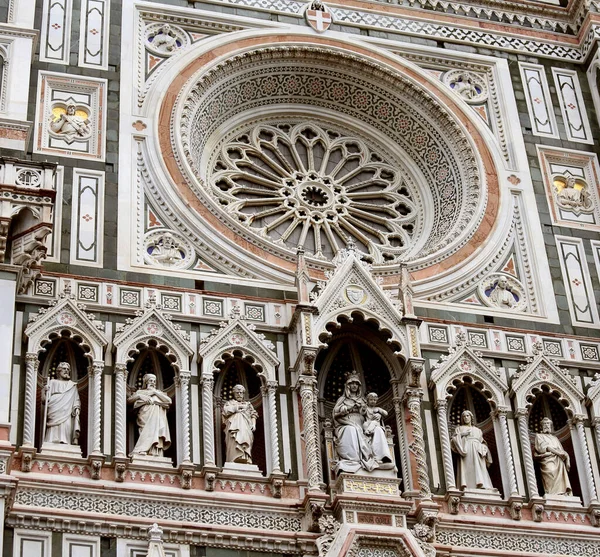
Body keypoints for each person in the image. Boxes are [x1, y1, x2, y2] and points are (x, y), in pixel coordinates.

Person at [333, 372, 377, 473]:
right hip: (345, 424)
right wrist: (345, 409)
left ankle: (367, 459)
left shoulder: (363, 400)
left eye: (356, 384)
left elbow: (369, 413)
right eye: (352, 383)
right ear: (348, 385)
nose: (354, 386)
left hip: (362, 425)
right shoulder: (342, 399)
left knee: (370, 430)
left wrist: (375, 414)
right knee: (351, 430)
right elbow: (335, 415)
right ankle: (353, 460)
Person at [127, 373, 172, 457]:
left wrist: (155, 392)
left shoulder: (158, 393)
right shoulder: (141, 392)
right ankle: (142, 450)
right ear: (146, 382)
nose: (153, 383)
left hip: (157, 417)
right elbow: (129, 400)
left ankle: (155, 452)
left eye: (154, 381)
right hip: (145, 414)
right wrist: (140, 396)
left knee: (156, 432)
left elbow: (169, 401)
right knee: (145, 431)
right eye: (151, 380)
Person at [451, 410, 494, 490]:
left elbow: (483, 442)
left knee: (479, 467)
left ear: (471, 417)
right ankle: (468, 485)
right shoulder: (459, 429)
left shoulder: (478, 430)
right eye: (464, 416)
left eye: (467, 416)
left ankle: (482, 484)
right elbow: (453, 441)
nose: (466, 418)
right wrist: (461, 435)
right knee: (468, 467)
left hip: (477, 450)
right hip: (466, 449)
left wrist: (484, 447)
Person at [43, 362, 80, 445]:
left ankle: (66, 441)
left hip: (67, 412)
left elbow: (76, 399)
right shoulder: (52, 382)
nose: (66, 371)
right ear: (58, 371)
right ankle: (51, 441)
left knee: (66, 427)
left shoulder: (72, 385)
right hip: (54, 410)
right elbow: (44, 400)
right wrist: (43, 391)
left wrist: (77, 408)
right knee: (53, 429)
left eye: (68, 369)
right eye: (64, 369)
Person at [534, 417, 572, 496]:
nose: (546, 425)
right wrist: (558, 453)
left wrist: (567, 458)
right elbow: (544, 448)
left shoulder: (555, 438)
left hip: (558, 460)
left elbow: (561, 450)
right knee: (550, 471)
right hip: (548, 459)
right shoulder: (539, 436)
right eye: (545, 424)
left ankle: (562, 493)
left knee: (561, 477)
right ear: (542, 426)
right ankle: (552, 493)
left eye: (548, 424)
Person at [222, 384, 258, 464]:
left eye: (241, 392)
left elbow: (253, 414)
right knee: (234, 441)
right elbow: (225, 412)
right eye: (237, 392)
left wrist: (253, 424)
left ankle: (246, 457)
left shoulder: (248, 404)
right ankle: (233, 457)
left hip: (245, 427)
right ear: (233, 393)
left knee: (245, 439)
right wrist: (236, 408)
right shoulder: (230, 403)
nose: (239, 394)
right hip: (233, 427)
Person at [363, 392, 393, 465]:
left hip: (376, 426)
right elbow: (361, 413)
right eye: (371, 400)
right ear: (367, 400)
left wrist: (380, 413)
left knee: (378, 429)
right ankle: (368, 431)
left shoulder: (377, 409)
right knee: (370, 424)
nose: (373, 401)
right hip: (367, 425)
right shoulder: (366, 408)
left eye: (374, 400)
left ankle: (383, 456)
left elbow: (386, 413)